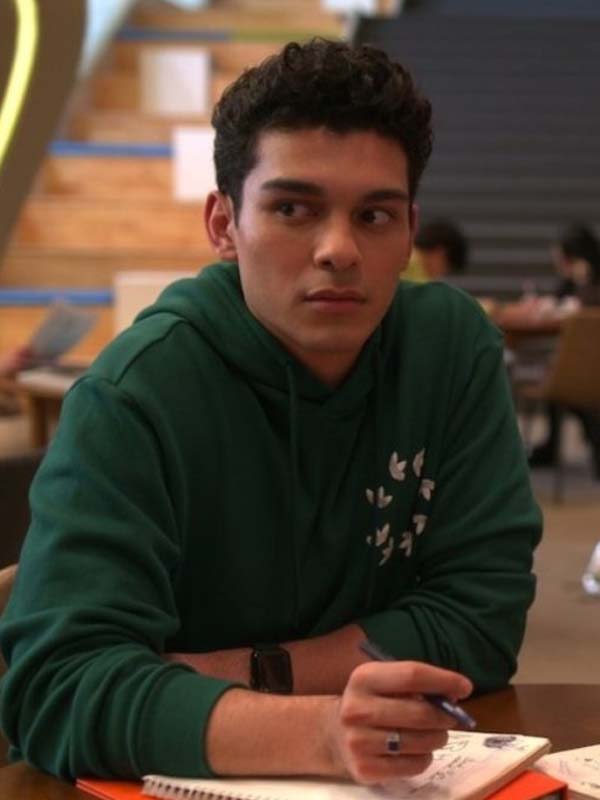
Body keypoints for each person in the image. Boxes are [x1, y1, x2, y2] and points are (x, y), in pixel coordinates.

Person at [0, 40, 541, 785]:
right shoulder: (137, 392)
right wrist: (318, 732)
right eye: (293, 208)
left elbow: (480, 621)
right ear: (224, 225)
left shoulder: (450, 350)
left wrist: (251, 673)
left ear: (410, 231)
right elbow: (55, 689)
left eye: (374, 215)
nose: (338, 249)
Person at [527, 224, 600, 474]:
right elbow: (558, 302)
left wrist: (583, 281)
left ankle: (555, 447)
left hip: (590, 370)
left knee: (563, 378)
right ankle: (555, 446)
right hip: (578, 371)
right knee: (558, 373)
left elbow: (579, 309)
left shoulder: (590, 286)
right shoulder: (574, 283)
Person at [403, 218, 468, 282]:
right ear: (440, 253)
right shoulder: (415, 273)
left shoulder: (404, 253)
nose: (439, 275)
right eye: (445, 268)